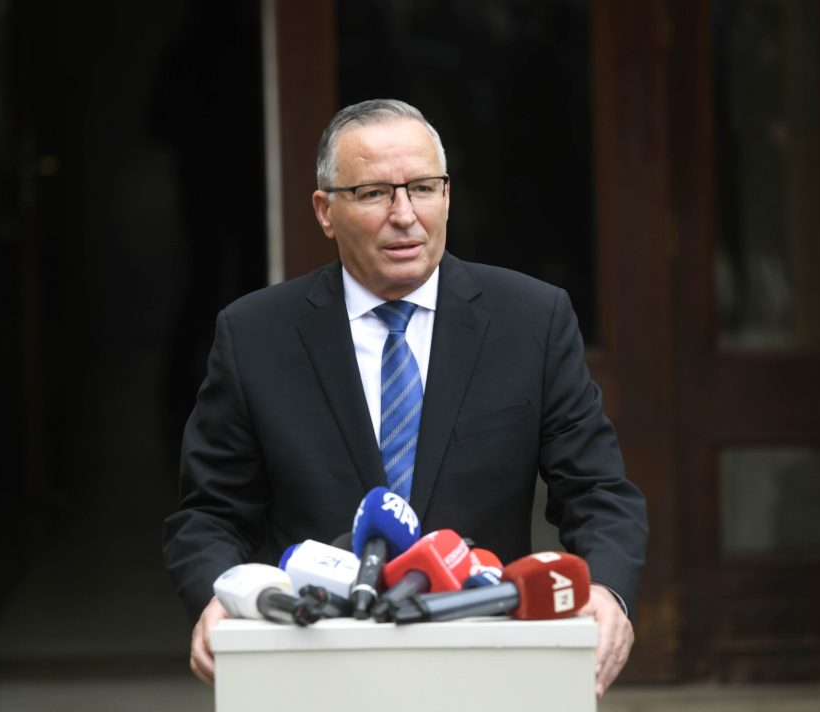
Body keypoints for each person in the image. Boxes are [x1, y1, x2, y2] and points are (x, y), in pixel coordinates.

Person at [162, 99, 648, 697]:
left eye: (422, 188)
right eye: (373, 193)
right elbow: (210, 514)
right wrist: (218, 593)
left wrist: (606, 590)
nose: (404, 215)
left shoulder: (531, 320)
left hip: (488, 658)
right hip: (318, 662)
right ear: (325, 212)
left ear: (447, 195)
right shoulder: (256, 335)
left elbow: (598, 491)